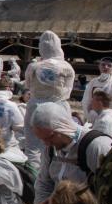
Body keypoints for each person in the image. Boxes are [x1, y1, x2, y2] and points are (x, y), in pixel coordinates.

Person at [22, 31, 75, 169]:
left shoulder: (33, 66)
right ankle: (59, 170)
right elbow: (68, 90)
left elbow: (27, 85)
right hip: (58, 105)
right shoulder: (67, 67)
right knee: (61, 140)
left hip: (35, 105)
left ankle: (33, 174)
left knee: (33, 144)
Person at [82, 57, 112, 123]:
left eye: (109, 65)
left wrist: (109, 113)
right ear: (99, 66)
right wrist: (89, 114)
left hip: (110, 119)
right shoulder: (93, 82)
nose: (106, 67)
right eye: (103, 65)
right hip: (93, 117)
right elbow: (86, 100)